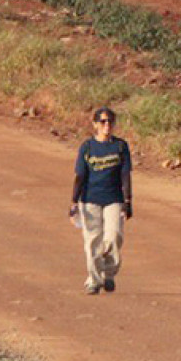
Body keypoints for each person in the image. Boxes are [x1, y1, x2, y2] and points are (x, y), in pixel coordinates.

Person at [69, 106, 131, 295]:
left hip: (114, 199)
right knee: (93, 241)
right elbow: (80, 175)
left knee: (114, 237)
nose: (107, 126)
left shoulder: (120, 147)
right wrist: (73, 203)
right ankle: (94, 280)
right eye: (103, 122)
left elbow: (125, 175)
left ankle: (109, 274)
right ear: (95, 124)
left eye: (110, 122)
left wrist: (128, 202)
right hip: (90, 199)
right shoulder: (88, 147)